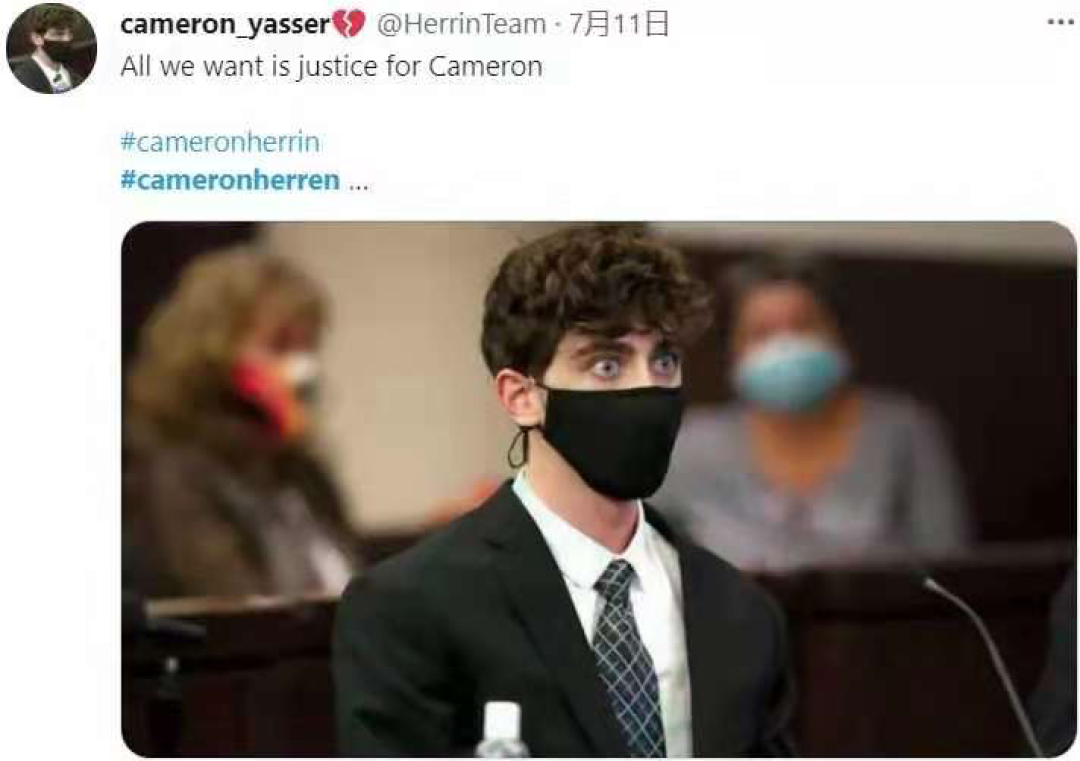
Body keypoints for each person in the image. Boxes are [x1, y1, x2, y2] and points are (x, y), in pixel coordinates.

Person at [333, 226, 796, 757]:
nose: (646, 387)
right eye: (607, 365)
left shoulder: (742, 613)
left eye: (664, 361)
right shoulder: (411, 609)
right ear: (521, 396)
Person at [653, 254, 972, 571]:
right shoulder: (689, 444)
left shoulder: (904, 430)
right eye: (761, 333)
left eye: (804, 325)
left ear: (841, 336)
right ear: (732, 353)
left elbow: (952, 568)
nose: (785, 344)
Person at [123, 248, 361, 598]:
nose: (303, 369)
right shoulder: (170, 477)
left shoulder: (306, 474)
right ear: (209, 351)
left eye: (309, 346)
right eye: (280, 345)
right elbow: (241, 611)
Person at [11, 4, 87, 94]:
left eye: (70, 33)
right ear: (37, 38)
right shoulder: (21, 79)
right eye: (59, 34)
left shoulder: (77, 78)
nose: (67, 39)